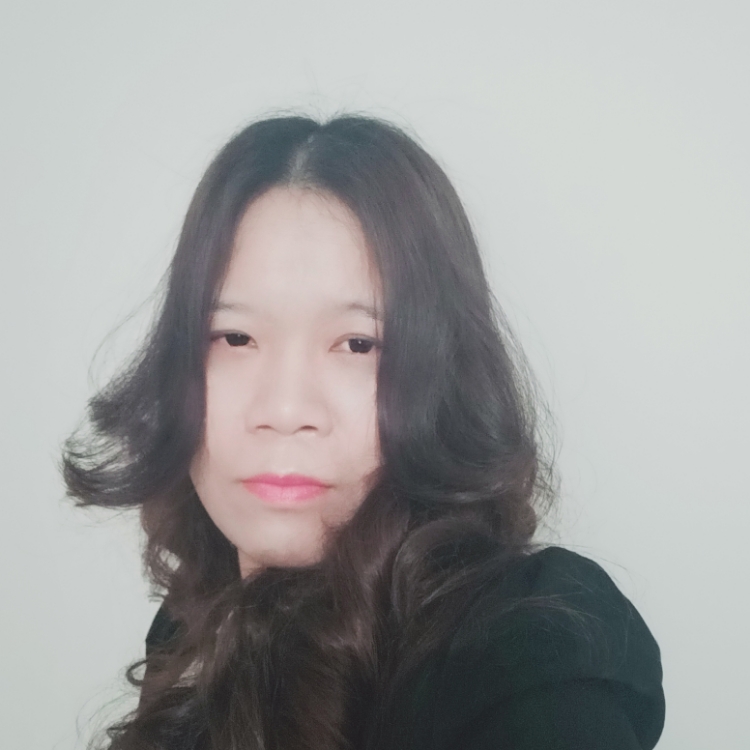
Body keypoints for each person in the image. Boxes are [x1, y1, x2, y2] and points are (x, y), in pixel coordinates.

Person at [62, 114, 665, 750]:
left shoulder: (526, 646)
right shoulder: (191, 625)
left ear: (441, 374)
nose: (285, 409)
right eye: (234, 337)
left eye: (358, 344)